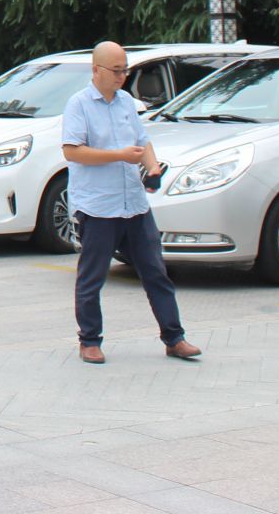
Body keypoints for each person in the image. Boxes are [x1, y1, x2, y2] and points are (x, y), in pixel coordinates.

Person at [61, 41, 202, 366]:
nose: (122, 76)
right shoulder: (79, 104)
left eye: (125, 70)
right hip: (98, 206)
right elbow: (72, 151)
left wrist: (152, 168)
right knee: (92, 277)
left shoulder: (126, 101)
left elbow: (142, 142)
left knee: (156, 273)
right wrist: (118, 156)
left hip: (134, 204)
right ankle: (89, 341)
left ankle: (174, 338)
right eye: (116, 70)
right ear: (96, 70)